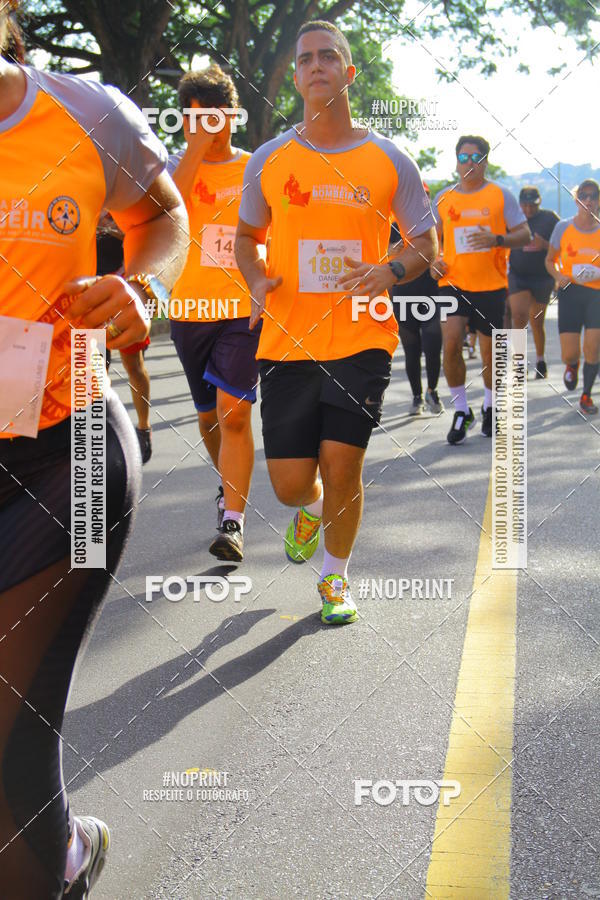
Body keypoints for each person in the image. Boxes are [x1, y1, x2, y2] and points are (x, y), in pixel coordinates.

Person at [0, 5, 188, 897]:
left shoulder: (84, 112)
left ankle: (56, 866)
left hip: (65, 451)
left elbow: (163, 217)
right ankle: (71, 848)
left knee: (6, 748)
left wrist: (143, 284)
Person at [235, 20, 437, 623]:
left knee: (344, 462)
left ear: (349, 73)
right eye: (305, 60)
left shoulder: (389, 160)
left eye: (328, 57)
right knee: (293, 484)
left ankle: (335, 580)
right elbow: (248, 237)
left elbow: (425, 240)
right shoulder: (270, 159)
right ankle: (310, 508)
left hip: (363, 334)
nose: (316, 66)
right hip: (288, 339)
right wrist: (255, 276)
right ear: (296, 78)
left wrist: (391, 271)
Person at [169, 65, 258, 562]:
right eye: (193, 118)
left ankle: (233, 522)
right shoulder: (176, 166)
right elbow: (165, 210)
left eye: (214, 117)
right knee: (209, 417)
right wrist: (195, 150)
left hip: (241, 310)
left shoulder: (255, 166)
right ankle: (228, 489)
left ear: (232, 116)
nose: (203, 126)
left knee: (234, 412)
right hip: (189, 308)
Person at [430, 135, 531, 444]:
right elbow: (431, 238)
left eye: (476, 158)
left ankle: (489, 406)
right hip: (453, 283)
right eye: (463, 158)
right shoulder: (444, 198)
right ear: (456, 161)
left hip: (491, 285)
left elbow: (525, 235)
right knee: (450, 342)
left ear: (485, 161)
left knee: (489, 353)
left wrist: (497, 240)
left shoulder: (501, 196)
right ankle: (461, 410)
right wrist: (433, 260)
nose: (469, 163)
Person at [96, 214, 153, 463]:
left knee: (134, 366)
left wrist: (111, 228)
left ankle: (143, 428)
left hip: (122, 285)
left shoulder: (121, 184)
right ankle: (98, 441)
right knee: (95, 371)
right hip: (90, 288)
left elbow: (148, 228)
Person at [545, 179, 600, 414]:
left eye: (594, 196)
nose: (589, 200)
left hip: (596, 294)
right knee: (570, 352)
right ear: (577, 199)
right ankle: (572, 364)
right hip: (569, 292)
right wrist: (559, 275)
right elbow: (549, 260)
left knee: (593, 347)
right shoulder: (563, 228)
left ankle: (586, 395)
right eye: (584, 196)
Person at [390, 185, 443, 415]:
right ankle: (416, 397)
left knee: (432, 344)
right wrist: (392, 251)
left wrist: (441, 263)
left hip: (431, 292)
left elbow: (448, 252)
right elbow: (378, 254)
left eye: (424, 196)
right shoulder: (392, 226)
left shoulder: (434, 226)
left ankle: (432, 390)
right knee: (411, 349)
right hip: (403, 293)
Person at [508, 186, 559, 377]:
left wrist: (545, 245)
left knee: (536, 321)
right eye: (525, 205)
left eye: (532, 205)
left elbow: (563, 244)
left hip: (542, 277)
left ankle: (540, 360)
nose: (528, 210)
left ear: (539, 203)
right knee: (519, 317)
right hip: (518, 275)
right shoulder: (513, 218)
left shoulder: (550, 219)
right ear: (520, 204)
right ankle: (519, 365)